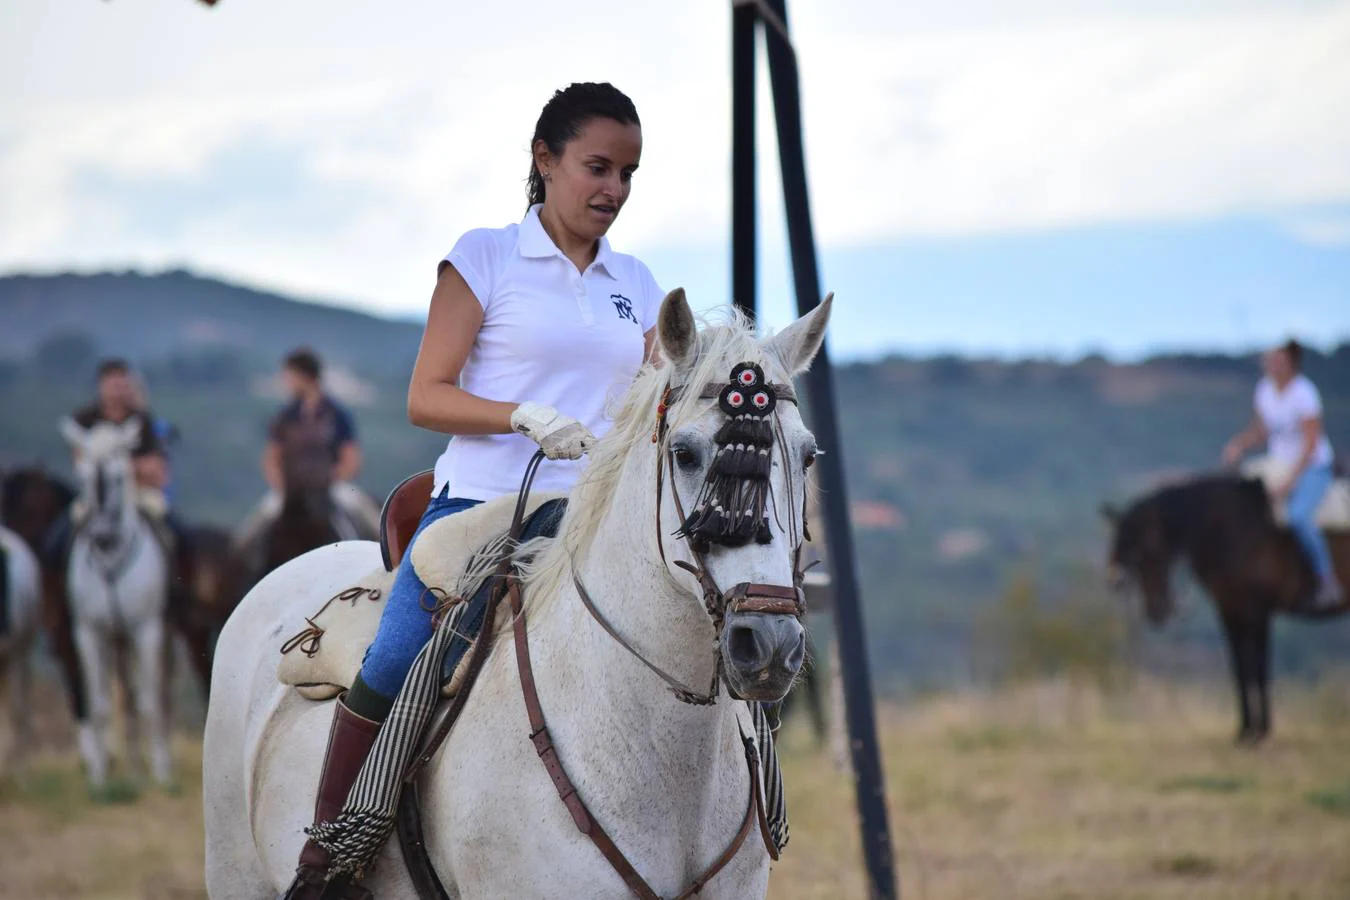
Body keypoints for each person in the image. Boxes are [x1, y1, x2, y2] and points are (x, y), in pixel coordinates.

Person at [282, 82, 662, 900]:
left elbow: (656, 391)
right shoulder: (485, 256)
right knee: (394, 651)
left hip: (598, 510)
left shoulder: (636, 279)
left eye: (628, 173)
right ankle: (329, 855)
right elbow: (427, 395)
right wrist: (522, 415)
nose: (614, 190)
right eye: (597, 167)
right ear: (544, 159)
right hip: (488, 502)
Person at [1223, 339, 1342, 608]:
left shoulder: (1304, 394)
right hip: (1278, 464)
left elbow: (1312, 444)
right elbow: (1263, 429)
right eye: (1269, 359)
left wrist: (1292, 481)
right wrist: (1239, 445)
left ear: (1291, 364)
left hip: (1312, 467)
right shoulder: (1264, 390)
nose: (1271, 365)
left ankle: (1327, 579)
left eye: (1277, 360)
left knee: (1299, 516)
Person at [45, 359, 188, 571]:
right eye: (113, 385)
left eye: (122, 385)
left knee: (179, 534)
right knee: (55, 542)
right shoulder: (84, 419)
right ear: (101, 386)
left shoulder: (142, 421)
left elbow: (155, 468)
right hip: (94, 494)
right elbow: (79, 461)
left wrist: (118, 463)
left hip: (138, 494)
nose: (117, 392)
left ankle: (180, 588)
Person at [235, 347, 380, 550]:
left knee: (367, 517)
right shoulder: (285, 416)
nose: (287, 382)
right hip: (290, 490)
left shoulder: (337, 415)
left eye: (290, 376)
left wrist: (330, 480)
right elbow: (272, 457)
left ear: (304, 376)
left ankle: (382, 559)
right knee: (253, 529)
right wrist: (282, 486)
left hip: (331, 486)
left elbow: (351, 457)